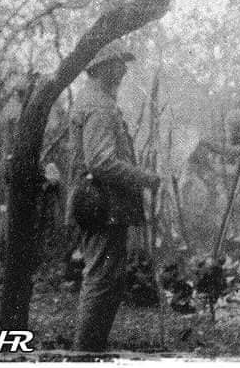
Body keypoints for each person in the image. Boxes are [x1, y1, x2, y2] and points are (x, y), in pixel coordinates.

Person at [65, 41, 161, 351]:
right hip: (101, 204)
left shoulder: (95, 100)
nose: (123, 71)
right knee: (102, 278)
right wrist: (144, 178)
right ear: (103, 66)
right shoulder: (99, 105)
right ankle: (86, 352)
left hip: (102, 204)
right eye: (119, 64)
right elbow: (101, 161)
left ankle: (91, 347)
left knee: (107, 277)